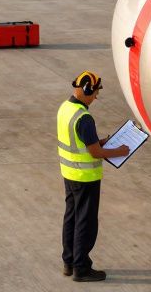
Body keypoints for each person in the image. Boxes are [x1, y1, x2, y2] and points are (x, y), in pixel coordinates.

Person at [58, 71, 130, 282]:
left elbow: (80, 141)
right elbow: (94, 153)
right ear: (88, 90)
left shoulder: (65, 108)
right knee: (86, 222)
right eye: (96, 93)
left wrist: (101, 141)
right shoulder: (84, 118)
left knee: (71, 217)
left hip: (69, 174)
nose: (96, 97)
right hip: (85, 176)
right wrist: (120, 150)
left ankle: (69, 262)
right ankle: (82, 268)